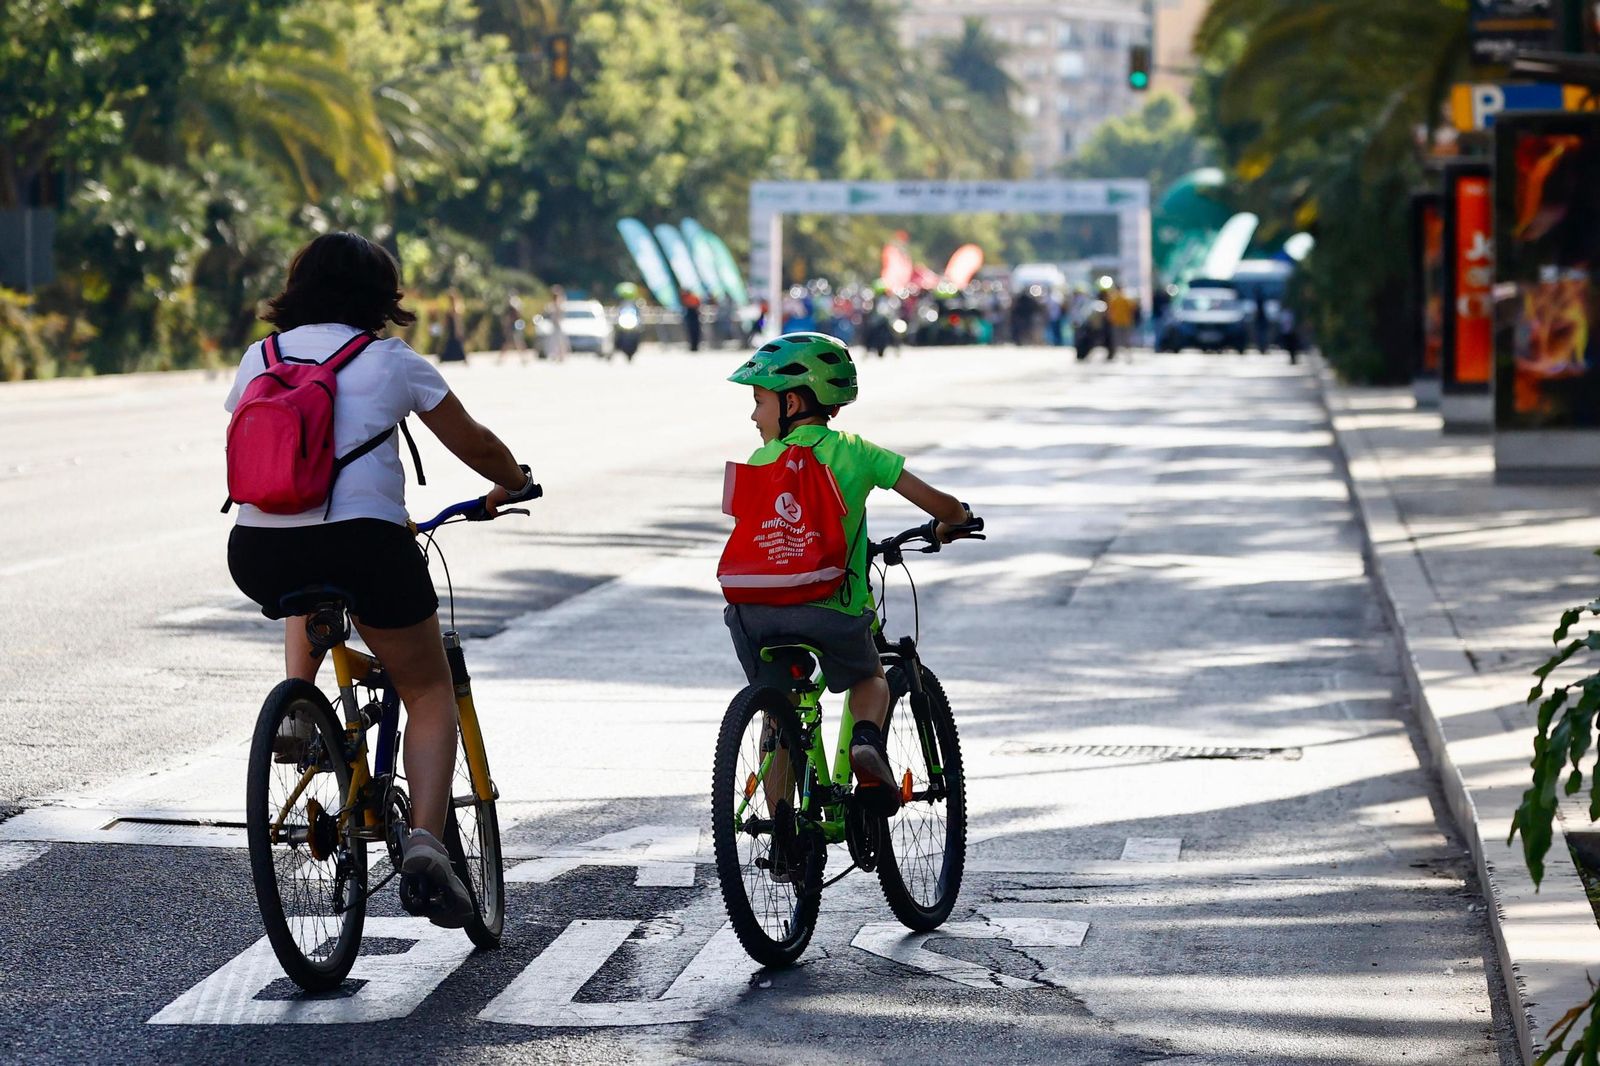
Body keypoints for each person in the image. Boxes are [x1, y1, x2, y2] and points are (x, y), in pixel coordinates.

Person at [224, 232, 539, 927]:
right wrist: (512, 480)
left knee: (302, 579)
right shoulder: (390, 360)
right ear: (381, 297)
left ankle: (303, 708)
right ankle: (426, 841)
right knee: (425, 688)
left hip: (256, 550)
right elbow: (474, 442)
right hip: (367, 546)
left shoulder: (261, 357)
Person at [723, 333, 978, 812]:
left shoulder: (760, 461)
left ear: (791, 401)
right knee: (871, 677)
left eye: (758, 402)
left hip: (753, 614)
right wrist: (955, 519)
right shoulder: (858, 452)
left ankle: (782, 838)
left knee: (779, 711)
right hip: (831, 613)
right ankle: (865, 743)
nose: (754, 416)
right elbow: (936, 502)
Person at [544, 285, 570, 362]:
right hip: (554, 325)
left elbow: (561, 313)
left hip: (558, 325)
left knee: (560, 340)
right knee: (553, 341)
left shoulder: (560, 303)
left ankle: (561, 355)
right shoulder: (552, 304)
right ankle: (555, 355)